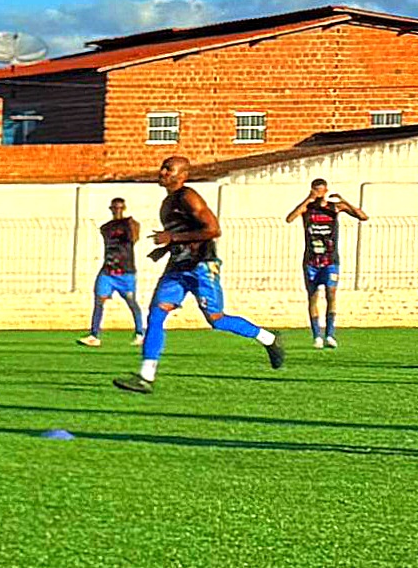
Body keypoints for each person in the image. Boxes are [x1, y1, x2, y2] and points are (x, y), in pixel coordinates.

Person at [117, 152, 286, 393]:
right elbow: (186, 234)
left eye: (168, 169)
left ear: (182, 176)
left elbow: (213, 230)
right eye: (163, 167)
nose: (162, 172)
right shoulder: (167, 203)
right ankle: (146, 376)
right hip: (178, 267)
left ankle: (268, 338)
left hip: (201, 267)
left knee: (217, 320)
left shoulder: (188, 196)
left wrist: (172, 238)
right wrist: (166, 249)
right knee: (156, 314)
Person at [286, 177, 367, 347]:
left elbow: (363, 217)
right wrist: (308, 199)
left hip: (330, 260)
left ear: (326, 190)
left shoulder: (334, 207)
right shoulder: (307, 208)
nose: (318, 193)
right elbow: (290, 218)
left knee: (331, 293)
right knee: (313, 296)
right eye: (315, 190)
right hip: (311, 261)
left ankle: (330, 334)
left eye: (321, 190)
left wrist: (344, 201)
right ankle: (317, 336)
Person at [82, 197, 142, 346]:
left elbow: (134, 238)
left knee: (131, 302)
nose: (117, 211)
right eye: (115, 208)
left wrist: (130, 225)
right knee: (99, 301)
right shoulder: (106, 227)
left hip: (126, 272)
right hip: (108, 271)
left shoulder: (131, 224)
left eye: (120, 208)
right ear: (111, 209)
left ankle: (140, 332)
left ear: (124, 209)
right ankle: (94, 335)